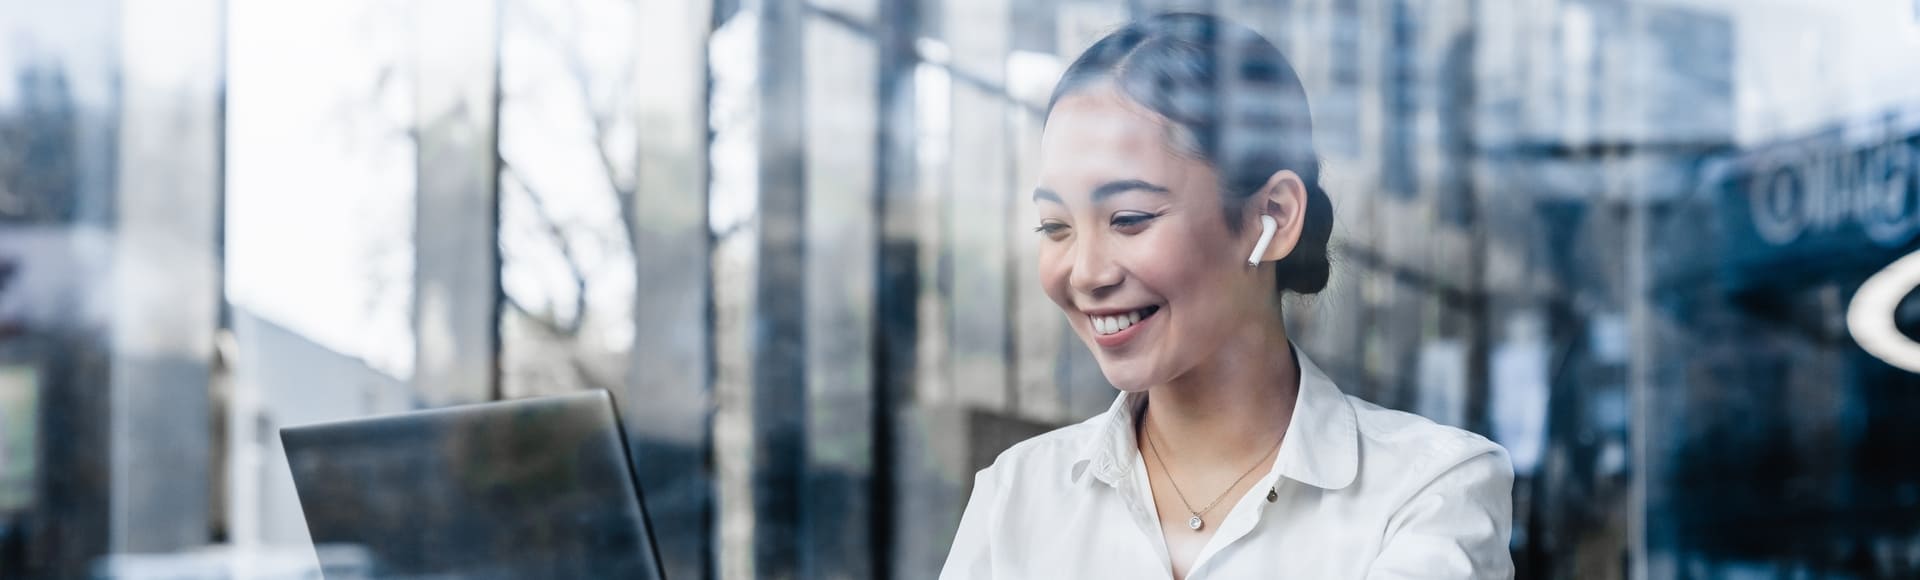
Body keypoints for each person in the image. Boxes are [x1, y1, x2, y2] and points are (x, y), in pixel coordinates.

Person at [939, 13, 1513, 580]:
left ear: (1273, 216)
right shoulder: (1015, 498)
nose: (1086, 273)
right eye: (1055, 227)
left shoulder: (1429, 490)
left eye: (1130, 218)